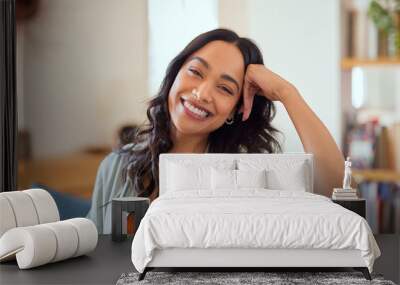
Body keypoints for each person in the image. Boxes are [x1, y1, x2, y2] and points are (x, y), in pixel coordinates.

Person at [87, 28, 344, 234]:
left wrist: (288, 94)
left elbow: (336, 189)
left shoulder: (248, 173)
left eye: (225, 88)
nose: (202, 93)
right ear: (175, 73)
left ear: (235, 109)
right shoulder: (115, 166)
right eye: (196, 72)